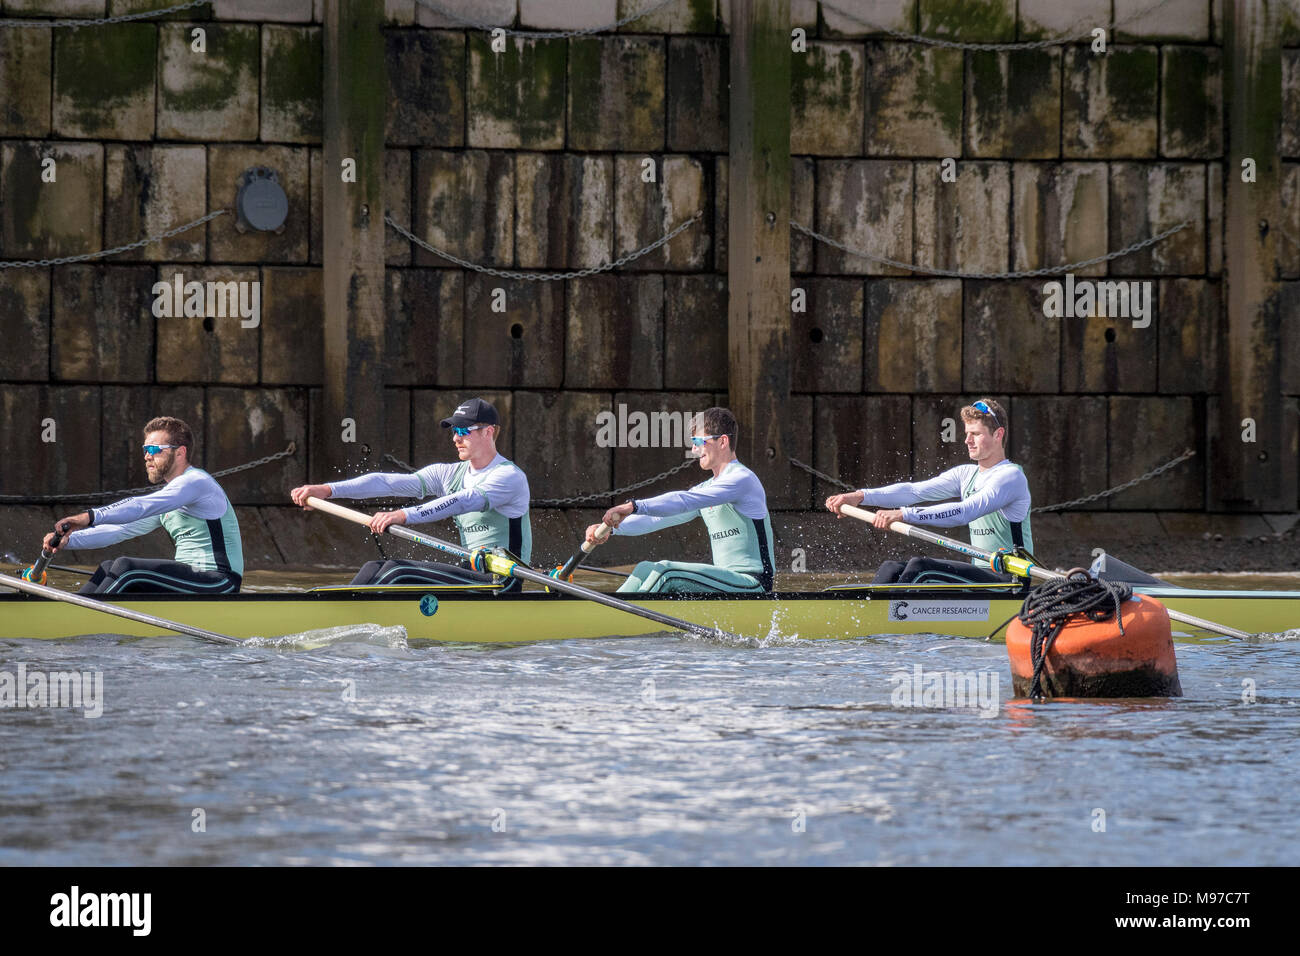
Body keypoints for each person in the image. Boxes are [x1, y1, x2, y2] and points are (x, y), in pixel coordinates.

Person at [290, 397, 531, 591]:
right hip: (470, 573)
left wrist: (401, 515)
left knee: (396, 571)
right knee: (375, 567)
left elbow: (462, 501)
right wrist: (327, 490)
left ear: (488, 432)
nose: (456, 438)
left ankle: (339, 620)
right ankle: (334, 611)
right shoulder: (448, 474)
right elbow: (386, 482)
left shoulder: (509, 477)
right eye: (453, 430)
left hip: (501, 582)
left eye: (463, 430)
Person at [824, 399, 1033, 584]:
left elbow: (965, 511)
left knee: (921, 568)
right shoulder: (966, 474)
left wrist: (904, 514)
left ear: (998, 434)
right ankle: (864, 613)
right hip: (981, 574)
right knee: (892, 568)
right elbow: (914, 492)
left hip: (1009, 581)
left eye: (975, 434)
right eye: (967, 434)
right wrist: (860, 496)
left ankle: (889, 617)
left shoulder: (1010, 477)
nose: (967, 441)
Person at [41, 416, 244, 595]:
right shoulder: (170, 499)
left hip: (220, 582)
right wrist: (68, 541)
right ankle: (70, 609)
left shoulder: (197, 482)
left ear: (180, 453)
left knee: (126, 567)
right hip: (189, 580)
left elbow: (140, 506)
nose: (147, 456)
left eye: (154, 449)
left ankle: (76, 621)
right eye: (145, 449)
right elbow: (120, 530)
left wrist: (86, 517)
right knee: (108, 567)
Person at [586, 407, 775, 594]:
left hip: (754, 583)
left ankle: (617, 618)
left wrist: (633, 506)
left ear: (723, 441)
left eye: (698, 441)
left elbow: (684, 500)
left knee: (667, 572)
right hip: (725, 581)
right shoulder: (706, 488)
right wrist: (611, 528)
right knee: (644, 568)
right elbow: (657, 518)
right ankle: (603, 615)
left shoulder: (742, 479)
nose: (694, 449)